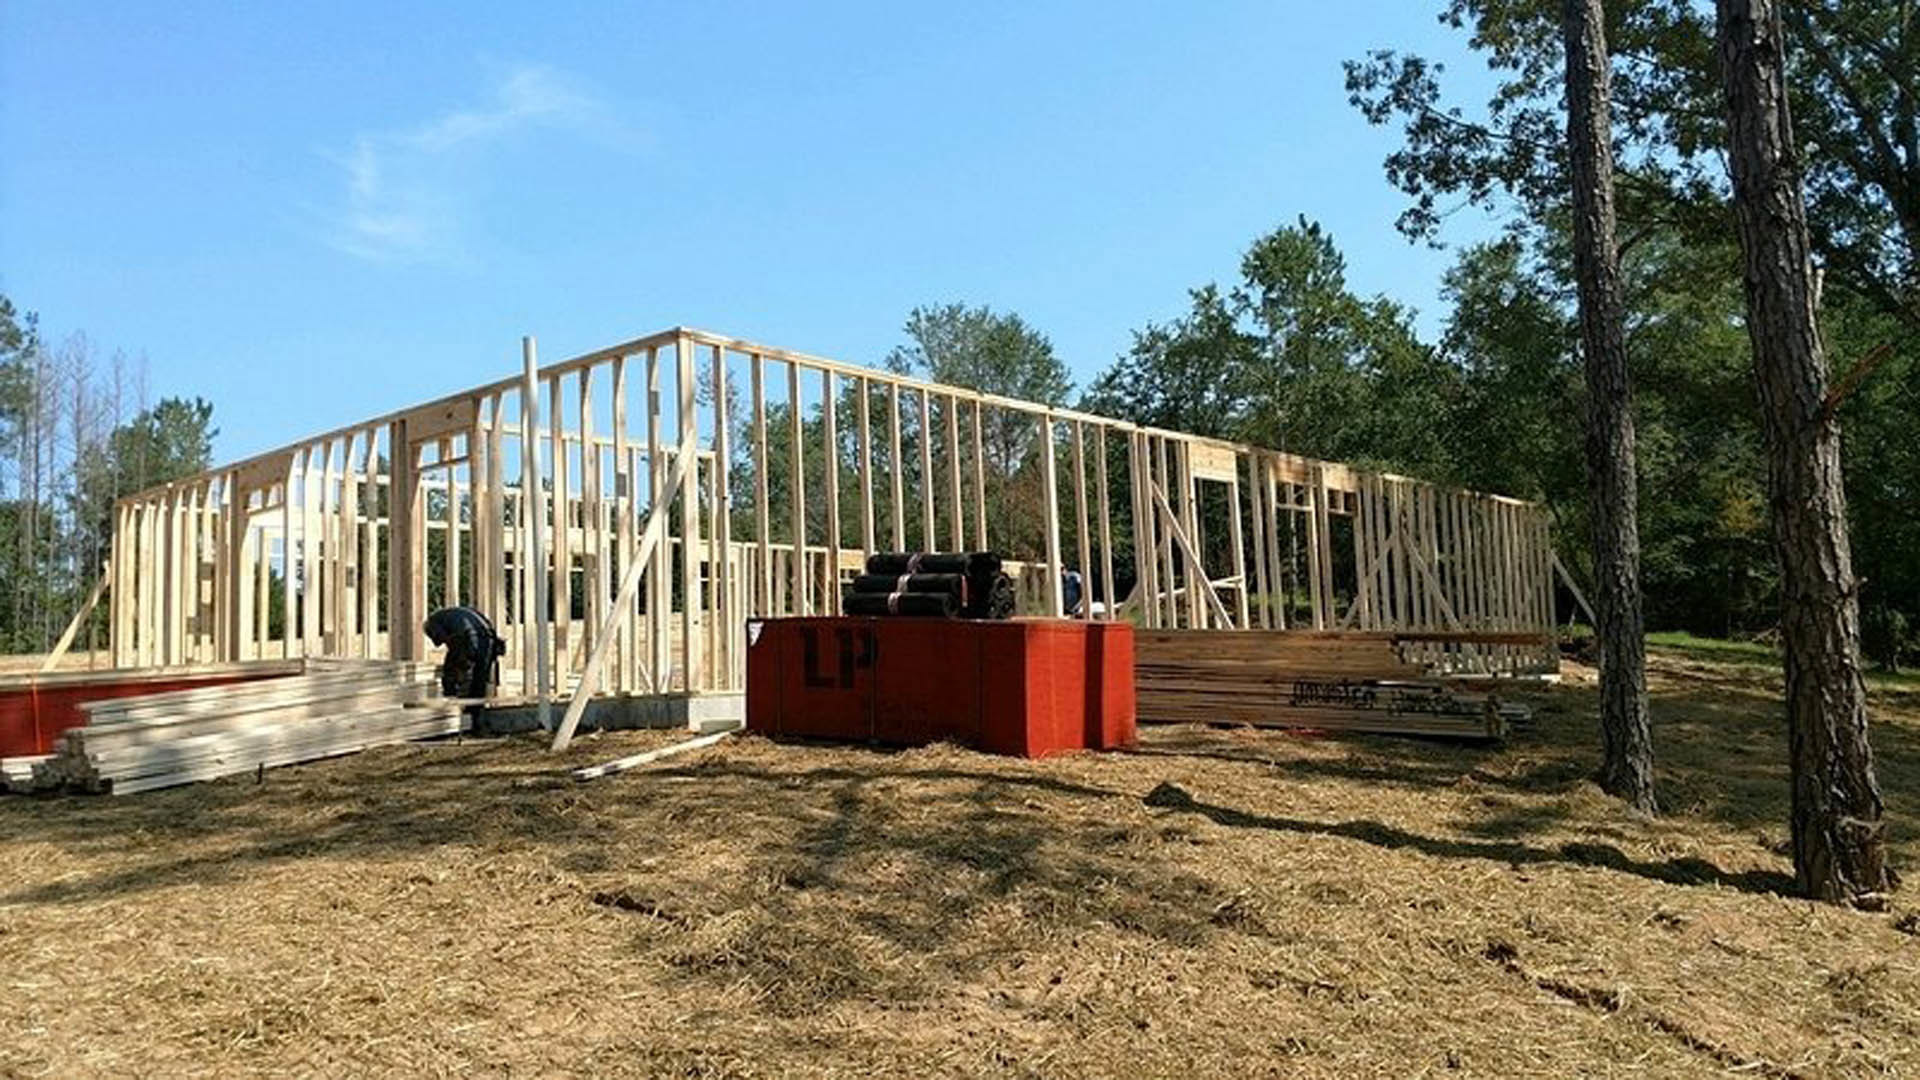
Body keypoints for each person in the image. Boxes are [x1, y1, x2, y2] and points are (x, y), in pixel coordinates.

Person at [423, 606, 506, 698]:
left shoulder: (432, 622)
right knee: (480, 677)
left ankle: (451, 696)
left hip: (468, 636)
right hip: (489, 638)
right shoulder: (456, 613)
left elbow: (446, 640)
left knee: (452, 667)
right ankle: (475, 708)